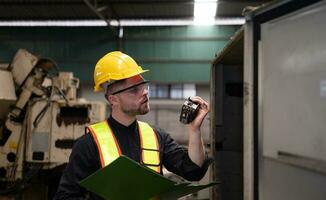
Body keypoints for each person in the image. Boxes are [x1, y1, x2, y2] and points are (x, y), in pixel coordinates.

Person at [54, 51, 212, 199]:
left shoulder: (156, 137)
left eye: (144, 85)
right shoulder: (89, 144)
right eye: (134, 89)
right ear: (113, 99)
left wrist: (194, 129)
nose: (144, 92)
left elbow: (193, 170)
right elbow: (66, 196)